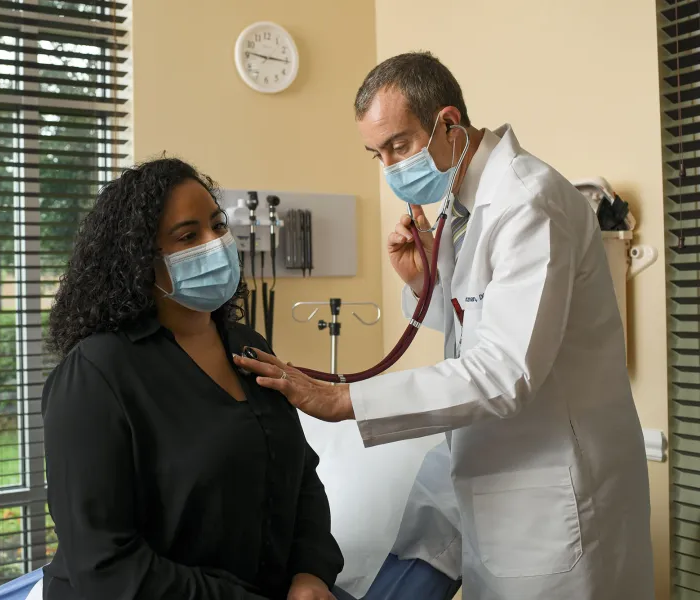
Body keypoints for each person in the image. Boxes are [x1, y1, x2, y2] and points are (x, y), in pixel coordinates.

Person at [235, 52, 655, 600]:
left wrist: (346, 399)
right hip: (487, 479)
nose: (390, 168)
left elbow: (505, 371)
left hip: (556, 504)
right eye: (377, 154)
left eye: (400, 146)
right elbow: (483, 326)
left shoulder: (527, 202)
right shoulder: (466, 209)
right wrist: (422, 282)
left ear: (448, 123)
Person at [41, 158, 345, 600]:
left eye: (218, 226)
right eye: (188, 236)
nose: (216, 243)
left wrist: (311, 575)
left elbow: (300, 477)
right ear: (138, 259)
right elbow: (104, 564)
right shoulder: (96, 374)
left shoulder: (247, 346)